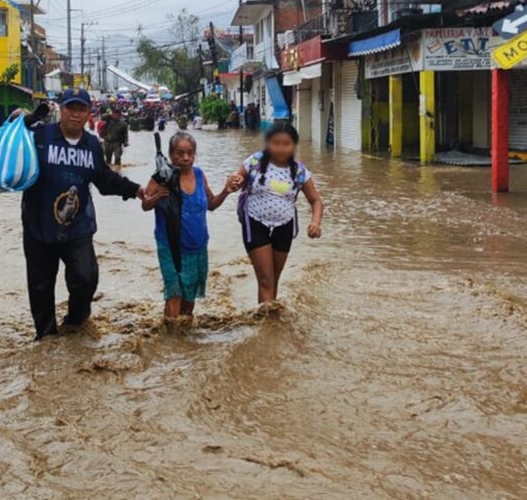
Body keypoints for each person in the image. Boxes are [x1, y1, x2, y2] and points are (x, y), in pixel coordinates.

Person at [20, 88, 147, 340]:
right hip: (39, 226)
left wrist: (136, 190)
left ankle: (75, 324)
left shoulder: (91, 145)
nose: (75, 115)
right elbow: (8, 142)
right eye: (70, 108)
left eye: (81, 109)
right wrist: (24, 118)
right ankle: (46, 339)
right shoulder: (39, 136)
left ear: (89, 113)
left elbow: (104, 179)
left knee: (86, 278)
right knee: (40, 286)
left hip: (77, 227)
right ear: (61, 109)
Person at [142, 132, 238, 320]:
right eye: (179, 153)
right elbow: (145, 205)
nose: (185, 158)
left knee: (189, 297)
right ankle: (170, 341)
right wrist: (157, 196)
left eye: (190, 153)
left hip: (197, 246)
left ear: (194, 155)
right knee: (174, 294)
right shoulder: (162, 177)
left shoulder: (200, 175)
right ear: (170, 154)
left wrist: (226, 191)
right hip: (170, 246)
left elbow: (211, 204)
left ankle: (184, 341)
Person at [233, 124, 324, 304]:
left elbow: (316, 200)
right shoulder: (255, 162)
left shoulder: (299, 171)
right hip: (255, 223)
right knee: (266, 279)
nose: (281, 148)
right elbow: (238, 178)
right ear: (268, 144)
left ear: (294, 145)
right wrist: (236, 180)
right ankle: (267, 324)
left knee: (274, 277)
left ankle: (270, 321)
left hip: (285, 225)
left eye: (286, 144)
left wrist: (316, 222)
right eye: (276, 143)